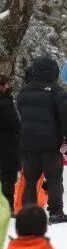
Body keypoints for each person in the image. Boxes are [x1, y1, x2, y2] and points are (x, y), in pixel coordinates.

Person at [17, 57, 67, 224]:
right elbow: (66, 120)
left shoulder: (23, 92)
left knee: (30, 179)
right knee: (54, 178)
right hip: (50, 144)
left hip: (27, 143)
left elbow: (20, 117)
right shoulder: (57, 92)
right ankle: (56, 212)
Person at [0, 73, 19, 212]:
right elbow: (15, 124)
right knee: (7, 177)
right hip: (7, 144)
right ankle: (7, 208)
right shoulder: (6, 103)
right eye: (7, 84)